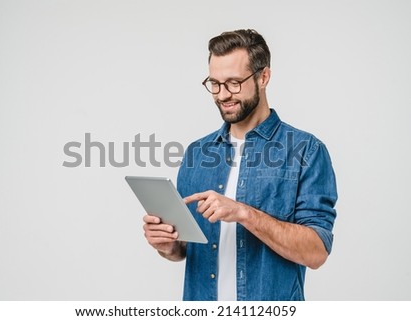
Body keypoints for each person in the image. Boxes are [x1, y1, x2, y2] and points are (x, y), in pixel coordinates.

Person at [143, 29, 337, 301]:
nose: (222, 95)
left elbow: (316, 252)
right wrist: (167, 244)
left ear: (263, 77)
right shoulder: (197, 153)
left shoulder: (306, 150)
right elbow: (185, 249)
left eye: (234, 83)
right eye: (215, 83)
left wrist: (244, 213)